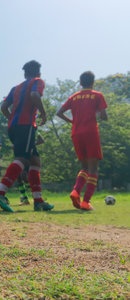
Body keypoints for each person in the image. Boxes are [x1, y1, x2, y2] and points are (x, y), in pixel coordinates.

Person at [0, 60, 54, 212]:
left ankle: (38, 201)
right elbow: (34, 95)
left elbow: (4, 107)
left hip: (14, 126)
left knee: (35, 160)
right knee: (22, 158)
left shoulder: (16, 88)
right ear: (39, 73)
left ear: (25, 74)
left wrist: (12, 119)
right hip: (27, 126)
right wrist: (43, 113)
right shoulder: (38, 81)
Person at [56, 71, 108, 211]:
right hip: (91, 132)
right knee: (93, 168)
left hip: (76, 133)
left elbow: (59, 112)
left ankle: (76, 191)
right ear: (93, 82)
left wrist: (72, 121)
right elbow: (103, 116)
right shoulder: (97, 95)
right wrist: (100, 114)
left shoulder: (73, 97)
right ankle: (86, 202)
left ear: (80, 83)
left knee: (84, 167)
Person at [16, 134, 44, 205]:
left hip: (28, 155)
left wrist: (31, 145)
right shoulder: (19, 130)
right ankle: (25, 199)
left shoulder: (32, 128)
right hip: (21, 154)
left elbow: (41, 140)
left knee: (25, 177)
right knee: (19, 178)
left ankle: (37, 197)